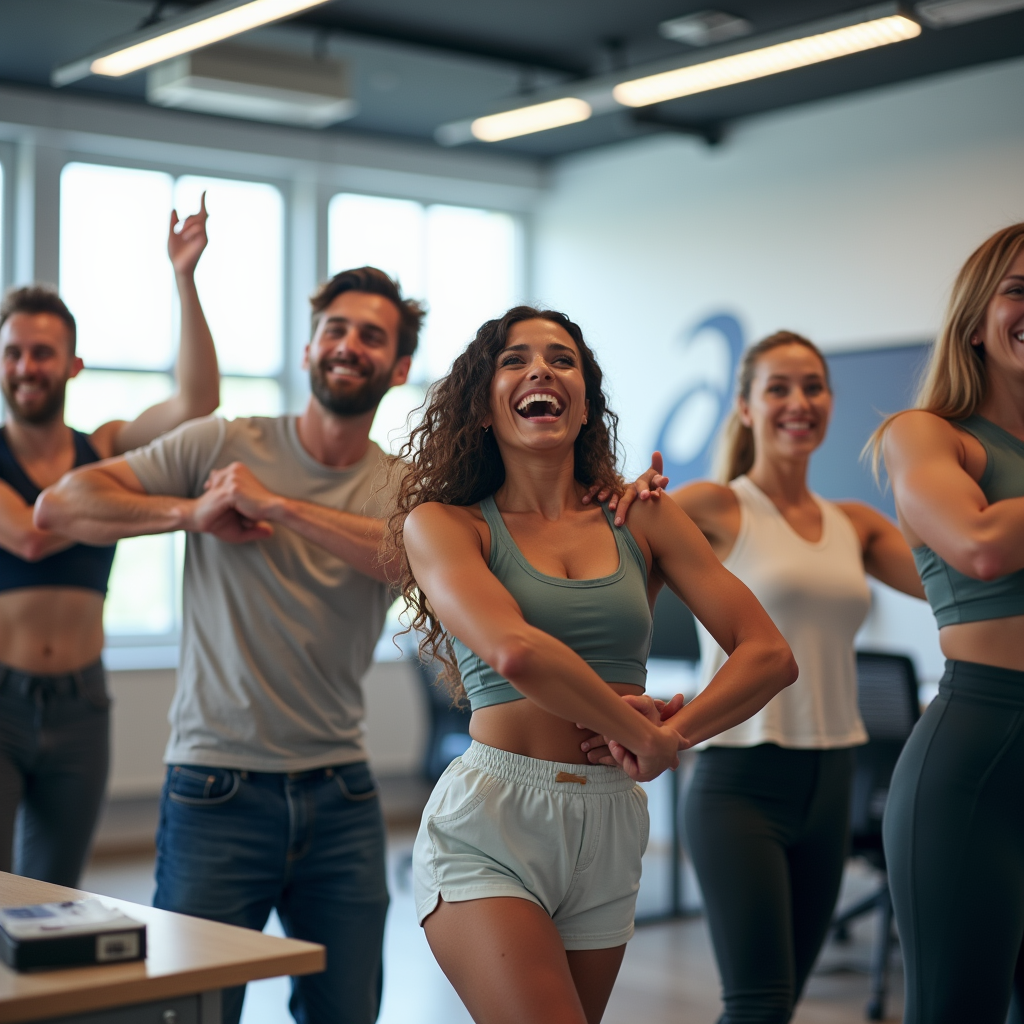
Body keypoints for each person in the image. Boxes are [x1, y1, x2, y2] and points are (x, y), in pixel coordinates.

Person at [35, 267, 424, 1024]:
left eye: (371, 336)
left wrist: (279, 505)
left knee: (347, 1014)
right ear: (309, 349)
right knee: (193, 1014)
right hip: (215, 791)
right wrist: (192, 511)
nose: (348, 346)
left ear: (398, 367)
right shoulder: (225, 441)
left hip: (340, 792)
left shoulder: (407, 490)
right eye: (335, 330)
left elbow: (413, 563)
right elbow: (62, 505)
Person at [392, 305, 797, 1024]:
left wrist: (679, 730)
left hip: (609, 819)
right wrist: (643, 734)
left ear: (585, 405)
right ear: (483, 407)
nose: (539, 370)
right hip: (492, 820)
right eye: (513, 361)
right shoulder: (444, 523)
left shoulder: (641, 518)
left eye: (561, 359)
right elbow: (514, 650)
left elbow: (768, 654)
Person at [621, 332, 925, 1024]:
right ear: (746, 408)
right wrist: (637, 494)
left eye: (812, 387)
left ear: (830, 401)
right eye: (779, 388)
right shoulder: (717, 506)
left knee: (783, 1002)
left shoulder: (855, 525)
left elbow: (958, 579)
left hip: (834, 779)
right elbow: (622, 541)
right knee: (756, 1004)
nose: (799, 402)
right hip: (739, 782)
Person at [0, 197, 219, 887]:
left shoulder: (103, 449)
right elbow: (38, 533)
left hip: (82, 705)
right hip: (1, 700)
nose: (26, 366)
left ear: (73, 366)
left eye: (43, 353)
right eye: (13, 352)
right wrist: (186, 511)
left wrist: (184, 279)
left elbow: (195, 402)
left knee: (51, 894)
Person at [873, 223, 1024, 1024]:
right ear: (975, 320)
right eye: (1020, 291)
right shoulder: (927, 435)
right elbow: (979, 547)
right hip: (978, 761)